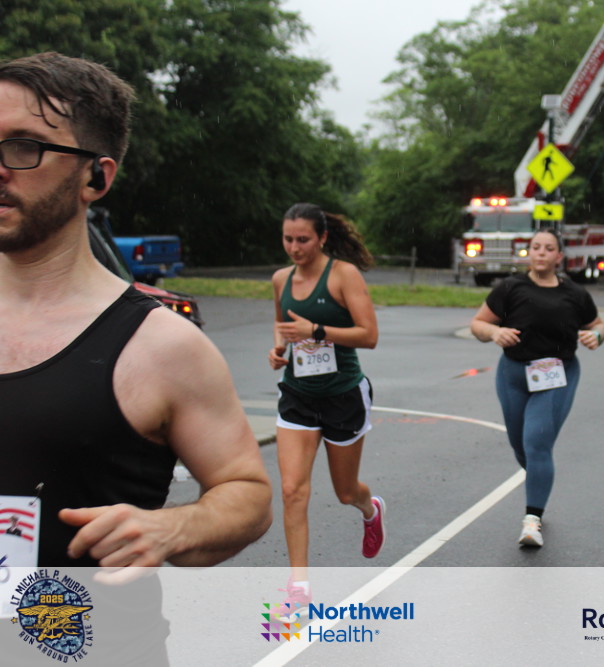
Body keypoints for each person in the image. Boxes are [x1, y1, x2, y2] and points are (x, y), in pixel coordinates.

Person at [0, 51, 272, 665]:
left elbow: (247, 494)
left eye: (23, 147)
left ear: (96, 178)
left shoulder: (161, 345)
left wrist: (170, 527)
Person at [268, 203, 385, 615]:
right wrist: (278, 350)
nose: (294, 248)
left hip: (343, 396)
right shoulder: (281, 279)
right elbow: (282, 326)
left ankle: (370, 509)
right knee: (291, 490)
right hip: (298, 396)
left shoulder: (342, 275)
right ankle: (298, 588)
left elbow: (369, 335)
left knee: (345, 491)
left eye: (303, 239)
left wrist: (316, 330)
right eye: (288, 239)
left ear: (322, 238)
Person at [470, 229, 604, 548]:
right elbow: (478, 324)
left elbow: (599, 325)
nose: (541, 252)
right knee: (520, 445)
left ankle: (532, 519)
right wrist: (494, 333)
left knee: (536, 442)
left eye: (548, 248)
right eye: (536, 247)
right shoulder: (510, 287)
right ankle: (540, 480)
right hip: (513, 374)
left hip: (557, 375)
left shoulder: (575, 294)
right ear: (529, 252)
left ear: (559, 257)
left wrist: (596, 336)